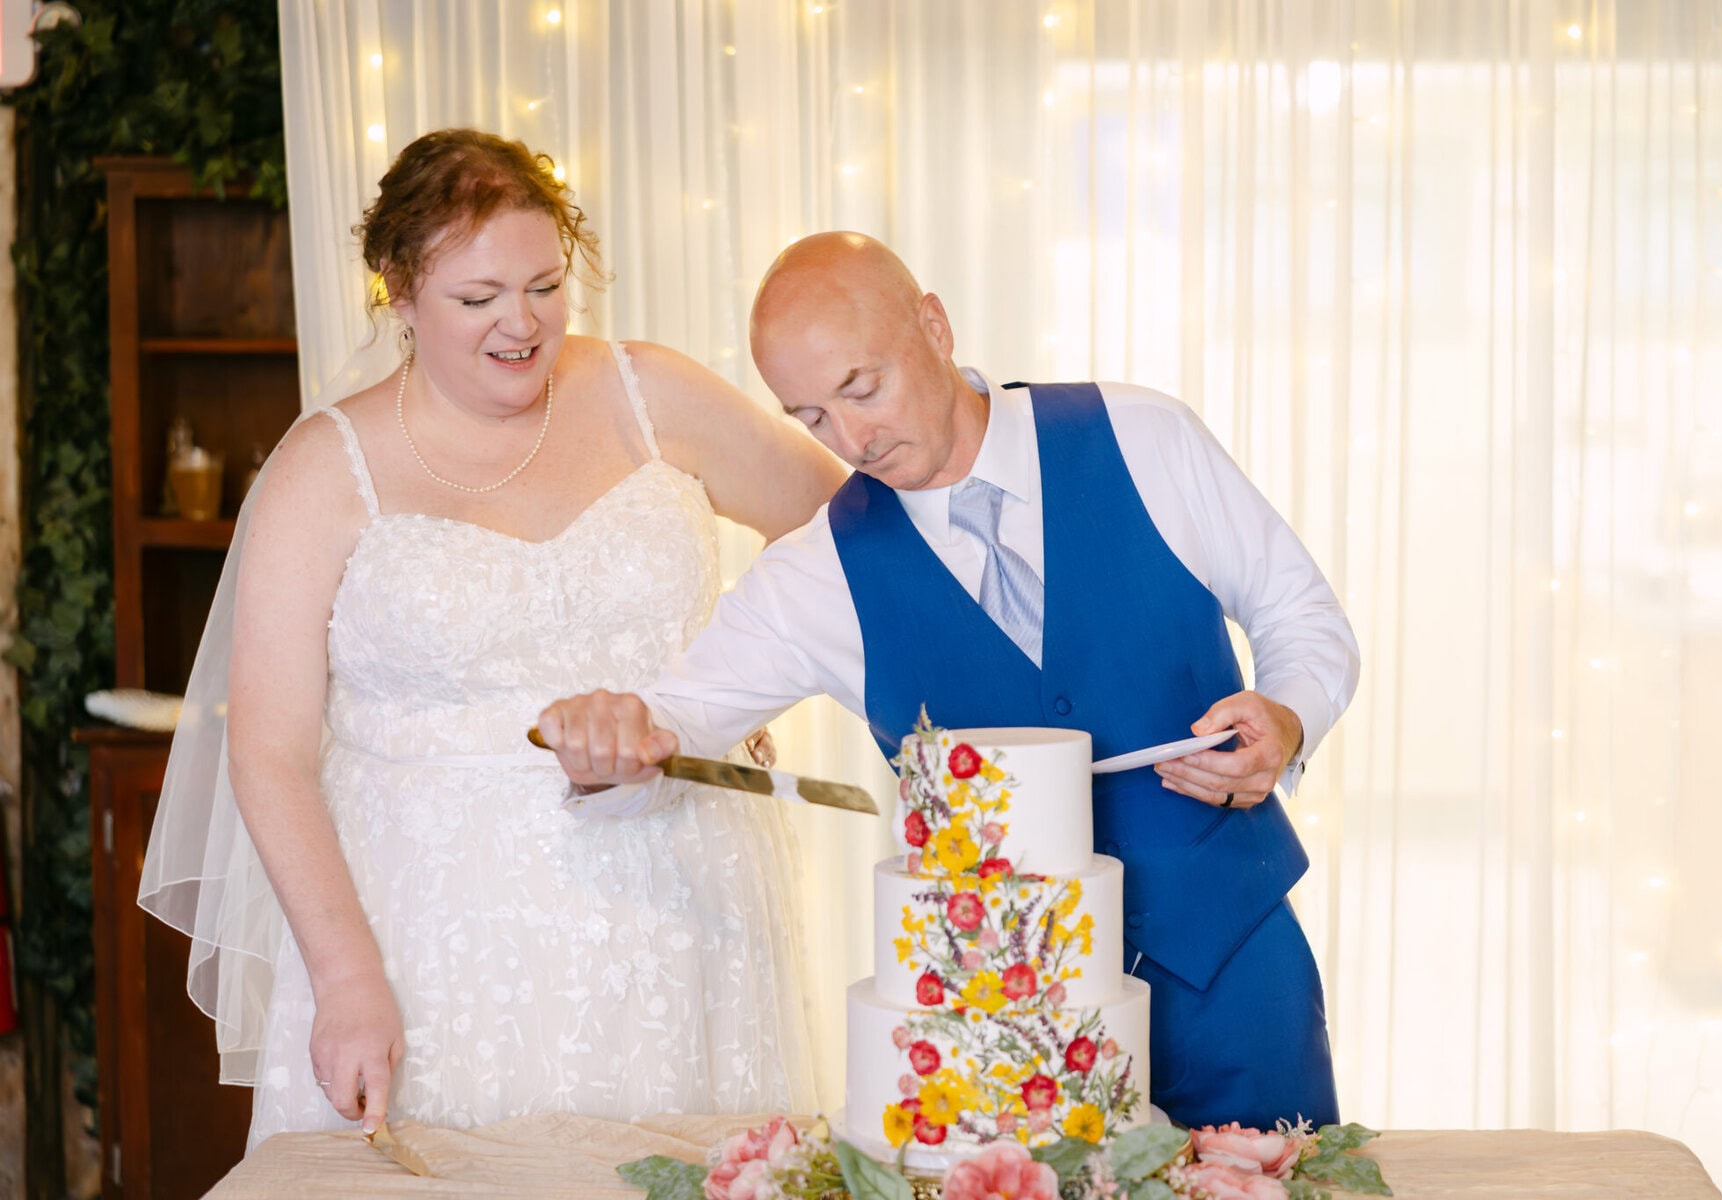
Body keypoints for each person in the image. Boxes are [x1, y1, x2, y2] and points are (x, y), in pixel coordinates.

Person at [537, 231, 1358, 1131]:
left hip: (1236, 971)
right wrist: (606, 746)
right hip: (1003, 1036)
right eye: (810, 417)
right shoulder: (817, 574)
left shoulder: (1142, 434)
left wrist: (1285, 719)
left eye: (862, 387)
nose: (853, 438)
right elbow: (671, 726)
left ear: (933, 324)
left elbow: (1304, 618)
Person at [137, 130, 845, 1148]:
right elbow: (271, 752)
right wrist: (345, 978)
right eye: (479, 299)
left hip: (679, 909)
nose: (523, 324)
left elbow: (845, 544)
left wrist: (729, 693)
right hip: (426, 937)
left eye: (545, 285)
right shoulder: (321, 470)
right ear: (398, 290)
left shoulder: (657, 396)